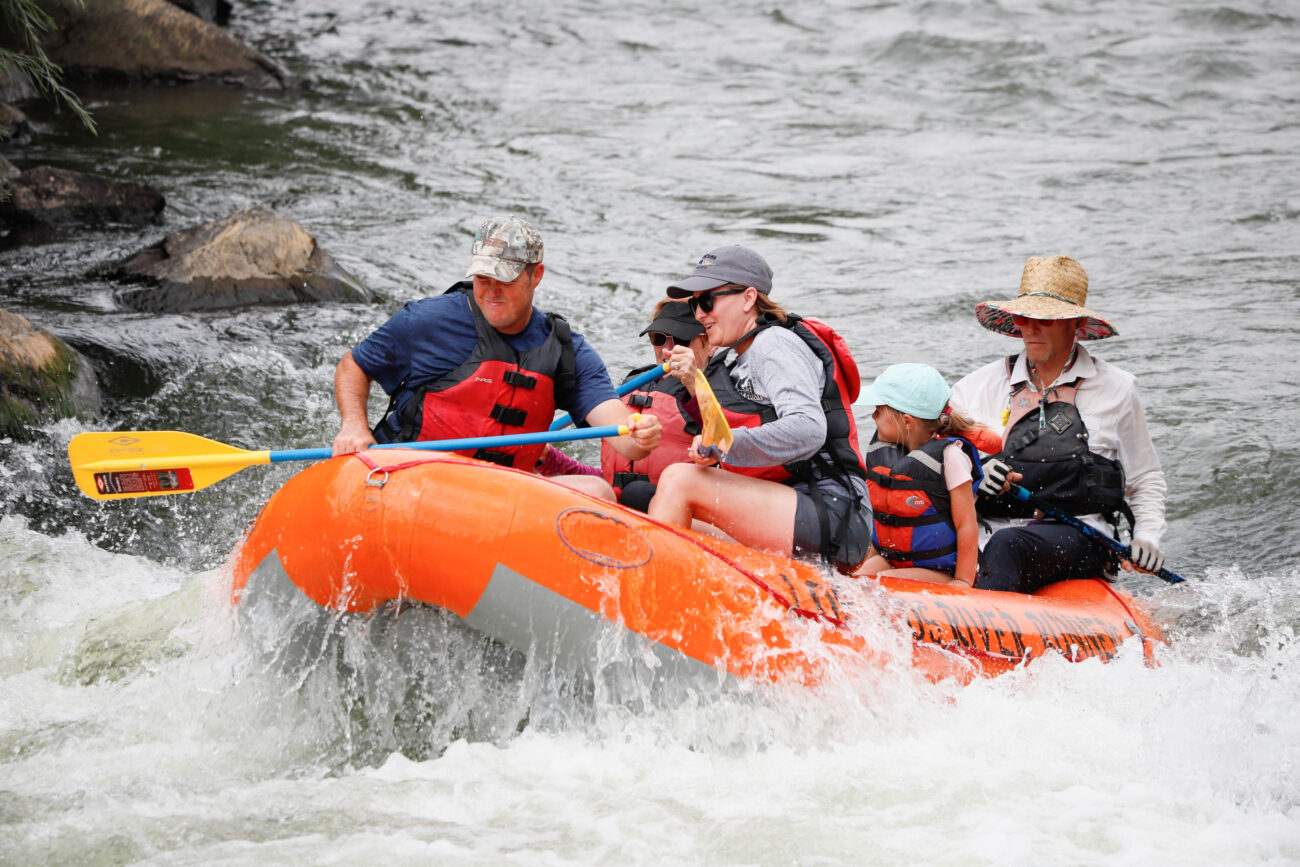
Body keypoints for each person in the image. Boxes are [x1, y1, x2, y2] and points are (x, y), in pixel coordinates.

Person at [331, 216, 661, 497]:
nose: (491, 291)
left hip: (498, 498)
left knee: (597, 491)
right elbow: (354, 366)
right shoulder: (428, 321)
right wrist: (354, 427)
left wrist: (640, 435)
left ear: (537, 276)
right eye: (482, 278)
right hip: (411, 477)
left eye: (504, 279)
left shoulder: (565, 351)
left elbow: (625, 440)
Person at [950, 255, 1168, 594]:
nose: (1031, 329)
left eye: (1046, 320)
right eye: (1024, 318)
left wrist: (1147, 536)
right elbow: (945, 466)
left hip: (1080, 538)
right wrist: (977, 476)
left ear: (1076, 325)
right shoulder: (974, 387)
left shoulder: (1118, 389)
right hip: (985, 535)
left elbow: (1144, 477)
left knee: (1009, 544)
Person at [646, 245, 872, 572]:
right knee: (652, 504)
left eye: (707, 301)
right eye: (695, 304)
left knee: (680, 481)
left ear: (749, 298)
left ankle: (656, 599)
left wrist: (725, 446)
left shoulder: (774, 345)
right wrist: (695, 384)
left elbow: (809, 427)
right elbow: (727, 428)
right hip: (791, 505)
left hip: (833, 511)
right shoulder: (736, 359)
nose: (698, 314)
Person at [854, 363, 999, 587]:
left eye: (879, 410)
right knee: (851, 583)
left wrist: (962, 581)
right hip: (893, 559)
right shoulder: (890, 452)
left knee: (871, 587)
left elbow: (966, 525)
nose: (873, 416)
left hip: (939, 570)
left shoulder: (950, 457)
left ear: (906, 422)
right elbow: (885, 520)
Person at [598, 299, 713, 510]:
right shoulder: (633, 384)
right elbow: (608, 479)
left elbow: (726, 442)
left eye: (681, 339)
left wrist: (694, 384)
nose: (667, 350)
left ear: (711, 345)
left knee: (637, 493)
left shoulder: (724, 392)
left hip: (684, 513)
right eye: (658, 338)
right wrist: (551, 459)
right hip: (625, 506)